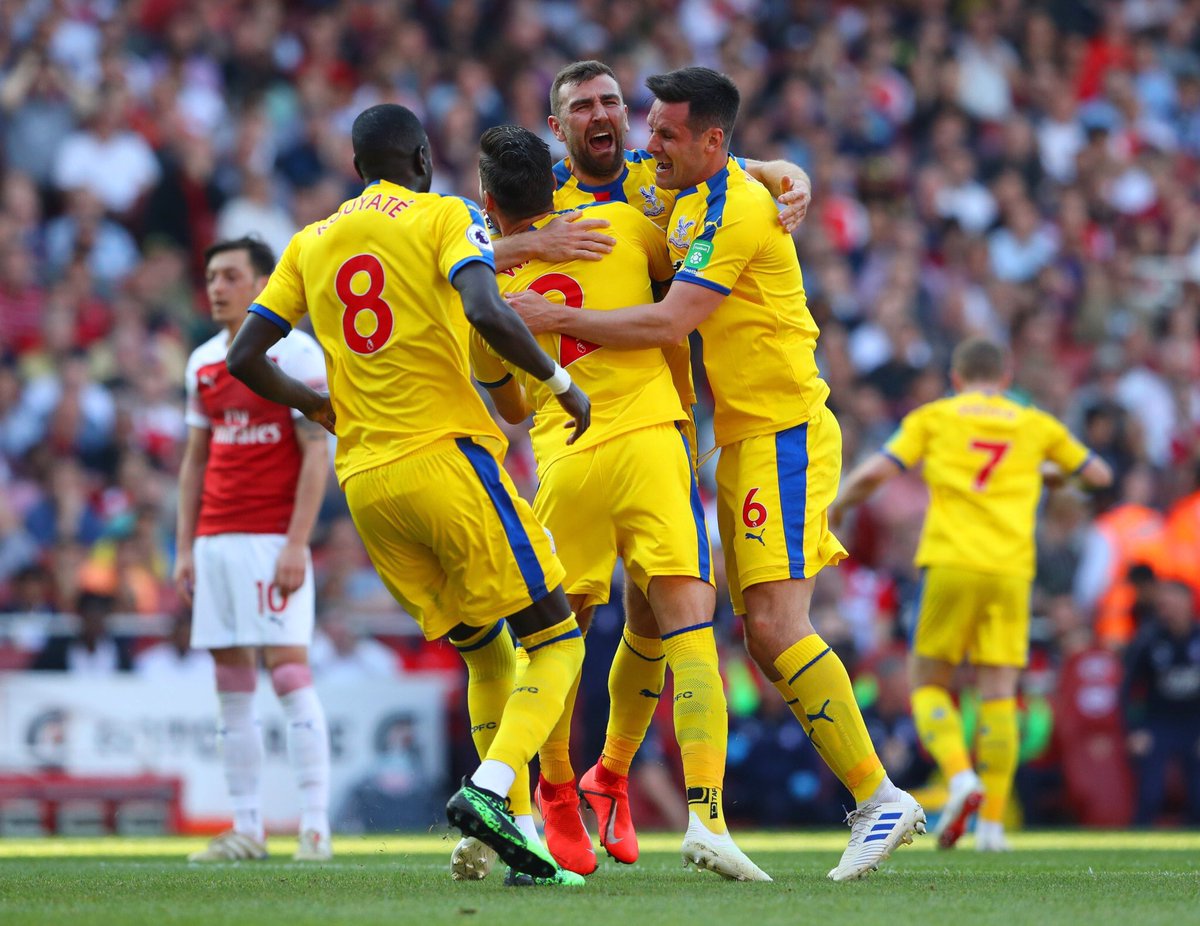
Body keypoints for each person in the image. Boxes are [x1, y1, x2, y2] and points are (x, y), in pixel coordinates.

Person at [509, 66, 921, 882]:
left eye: (654, 127)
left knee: (768, 626)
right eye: (639, 124)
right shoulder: (657, 190)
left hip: (778, 431)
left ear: (705, 139)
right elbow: (468, 245)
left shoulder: (726, 203)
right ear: (557, 126)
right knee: (667, 619)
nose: (643, 140)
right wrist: (779, 167)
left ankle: (878, 797)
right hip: (721, 437)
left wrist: (555, 316)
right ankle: (602, 779)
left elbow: (674, 317)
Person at [225, 103, 591, 885]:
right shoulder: (443, 214)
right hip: (444, 461)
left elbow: (246, 356)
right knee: (558, 640)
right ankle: (491, 791)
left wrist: (315, 405)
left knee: (486, 654)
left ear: (357, 168)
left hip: (366, 484)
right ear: (422, 159)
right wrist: (560, 383)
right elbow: (486, 307)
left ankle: (518, 840)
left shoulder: (310, 241)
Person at [486, 58, 814, 871]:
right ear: (557, 128)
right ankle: (561, 789)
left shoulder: (650, 181)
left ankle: (614, 778)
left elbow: (735, 170)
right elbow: (456, 256)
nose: (602, 114)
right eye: (581, 106)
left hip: (661, 432)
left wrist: (787, 172)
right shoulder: (539, 203)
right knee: (578, 629)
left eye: (611, 101)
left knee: (655, 621)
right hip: (577, 442)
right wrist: (530, 240)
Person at [831, 337, 1113, 851]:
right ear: (1005, 378)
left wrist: (838, 506)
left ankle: (960, 776)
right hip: (1010, 571)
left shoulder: (936, 417)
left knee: (926, 682)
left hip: (952, 562)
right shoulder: (1033, 423)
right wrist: (1043, 472)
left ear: (956, 378)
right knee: (1000, 691)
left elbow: (877, 471)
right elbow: (1097, 475)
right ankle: (993, 827)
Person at [175, 236, 334, 863]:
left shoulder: (297, 354)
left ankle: (314, 827)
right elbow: (196, 460)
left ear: (263, 284)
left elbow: (316, 454)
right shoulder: (202, 363)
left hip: (273, 539)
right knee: (231, 683)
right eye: (212, 276)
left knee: (290, 672)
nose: (217, 287)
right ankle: (247, 827)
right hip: (215, 539)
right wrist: (184, 548)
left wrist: (296, 543)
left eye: (230, 275)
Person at [1121, 579, 1200, 826]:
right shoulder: (1148, 639)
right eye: (1164, 604)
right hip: (1158, 724)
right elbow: (1128, 689)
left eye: (1174, 602)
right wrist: (1135, 730)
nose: (1168, 609)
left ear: (1188, 603)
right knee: (1150, 794)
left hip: (1195, 724)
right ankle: (1138, 840)